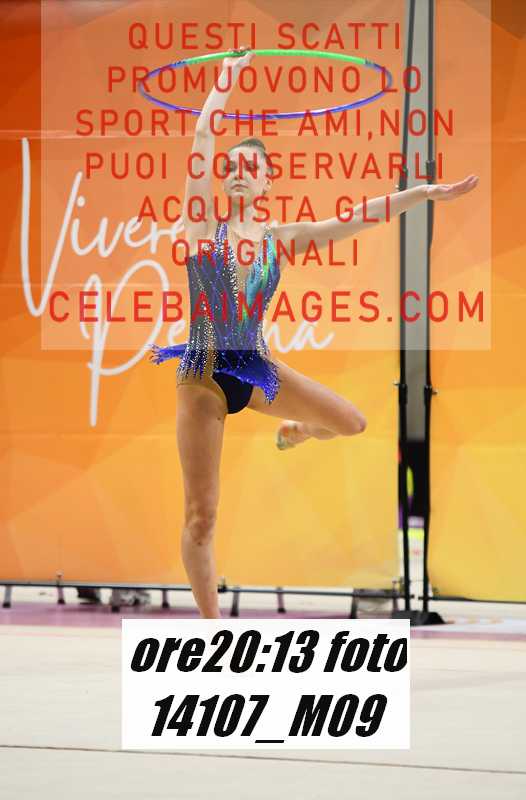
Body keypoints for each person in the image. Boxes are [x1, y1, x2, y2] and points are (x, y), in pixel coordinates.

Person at [149, 48, 479, 619]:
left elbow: (360, 217)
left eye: (251, 167)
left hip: (256, 369)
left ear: (267, 181)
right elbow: (203, 135)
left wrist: (424, 194)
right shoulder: (203, 225)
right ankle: (211, 631)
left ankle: (298, 431)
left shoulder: (282, 239)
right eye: (232, 167)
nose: (238, 173)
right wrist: (228, 77)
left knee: (351, 422)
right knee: (201, 516)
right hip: (203, 375)